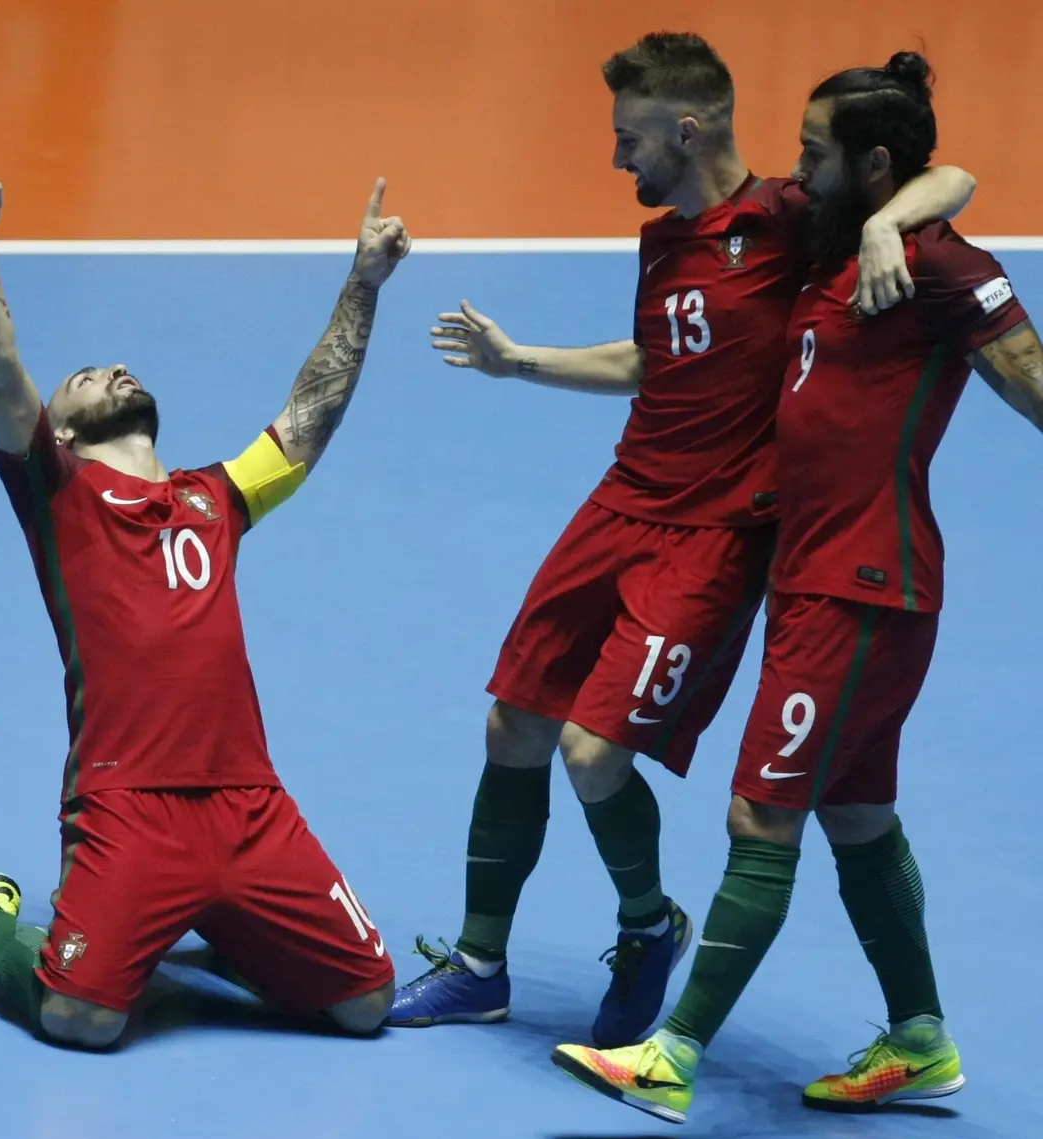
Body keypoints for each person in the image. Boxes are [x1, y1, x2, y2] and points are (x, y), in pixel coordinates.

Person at [388, 33, 976, 1049]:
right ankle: (481, 967)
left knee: (591, 752)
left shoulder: (796, 218)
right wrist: (518, 362)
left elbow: (953, 178)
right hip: (620, 503)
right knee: (512, 727)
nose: (619, 159)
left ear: (685, 130)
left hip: (715, 536)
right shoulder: (665, 241)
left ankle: (649, 926)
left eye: (629, 139)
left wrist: (888, 228)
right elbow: (652, 358)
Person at [552, 50, 1043, 1121]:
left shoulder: (944, 271)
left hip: (864, 586)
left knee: (760, 817)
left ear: (867, 163)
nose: (793, 163)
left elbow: (1030, 377)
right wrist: (875, 223)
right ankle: (919, 1040)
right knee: (858, 817)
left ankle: (672, 1055)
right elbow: (938, 171)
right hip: (814, 581)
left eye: (813, 152)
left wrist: (898, 228)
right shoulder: (835, 247)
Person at [0, 133, 411, 1048]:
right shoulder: (60, 490)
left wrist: (363, 281)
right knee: (82, 1020)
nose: (112, 370)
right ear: (63, 430)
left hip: (248, 802)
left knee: (365, 1006)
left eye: (118, 369)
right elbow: (1, 376)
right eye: (86, 378)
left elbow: (311, 417)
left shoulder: (216, 499)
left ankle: (224, 920)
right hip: (127, 802)